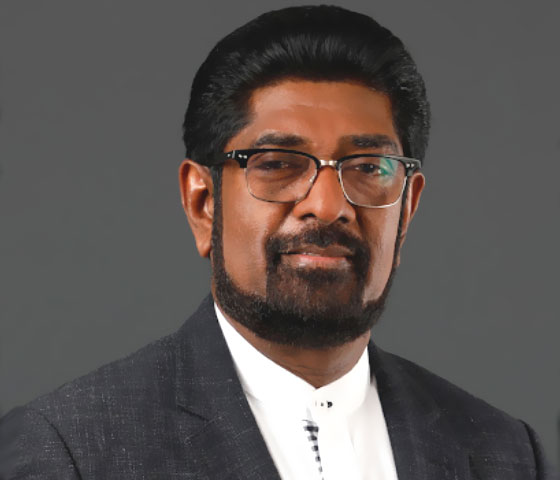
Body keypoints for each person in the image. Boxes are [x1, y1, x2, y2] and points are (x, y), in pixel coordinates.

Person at [0, 5, 556, 479]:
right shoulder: (72, 451)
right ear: (203, 203)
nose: (328, 205)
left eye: (369, 167)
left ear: (406, 209)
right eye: (278, 164)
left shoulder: (502, 453)